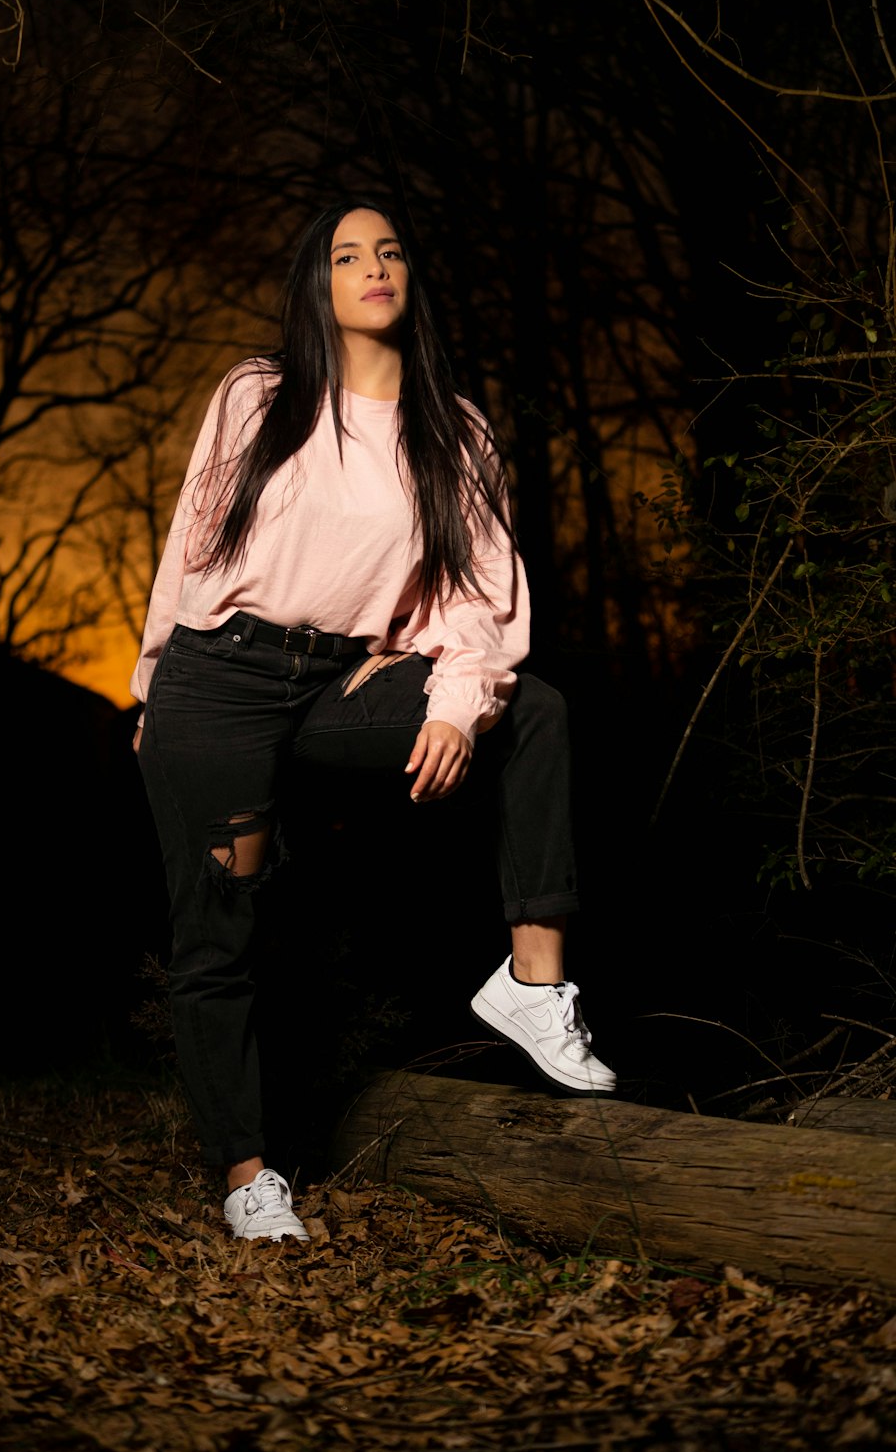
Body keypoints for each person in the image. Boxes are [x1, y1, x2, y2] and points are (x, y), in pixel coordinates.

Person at [132, 200, 615, 1242]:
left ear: (409, 278)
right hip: (219, 682)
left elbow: (481, 598)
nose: (373, 266)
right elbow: (194, 540)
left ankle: (535, 981)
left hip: (344, 683)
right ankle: (248, 1174)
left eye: (389, 249)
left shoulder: (458, 429)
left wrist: (447, 692)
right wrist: (149, 681)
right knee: (227, 925)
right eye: (347, 255)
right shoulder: (260, 395)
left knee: (534, 712)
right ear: (321, 285)